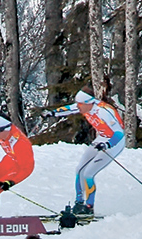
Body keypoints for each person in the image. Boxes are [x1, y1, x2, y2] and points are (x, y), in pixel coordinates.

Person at [43, 88, 124, 216]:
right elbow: (69, 109)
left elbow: (119, 133)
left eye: (80, 104)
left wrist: (108, 144)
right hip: (102, 138)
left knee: (88, 173)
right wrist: (52, 113)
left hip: (114, 143)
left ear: (89, 103)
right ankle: (79, 203)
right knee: (79, 170)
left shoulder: (103, 112)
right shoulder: (85, 106)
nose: (78, 107)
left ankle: (89, 206)